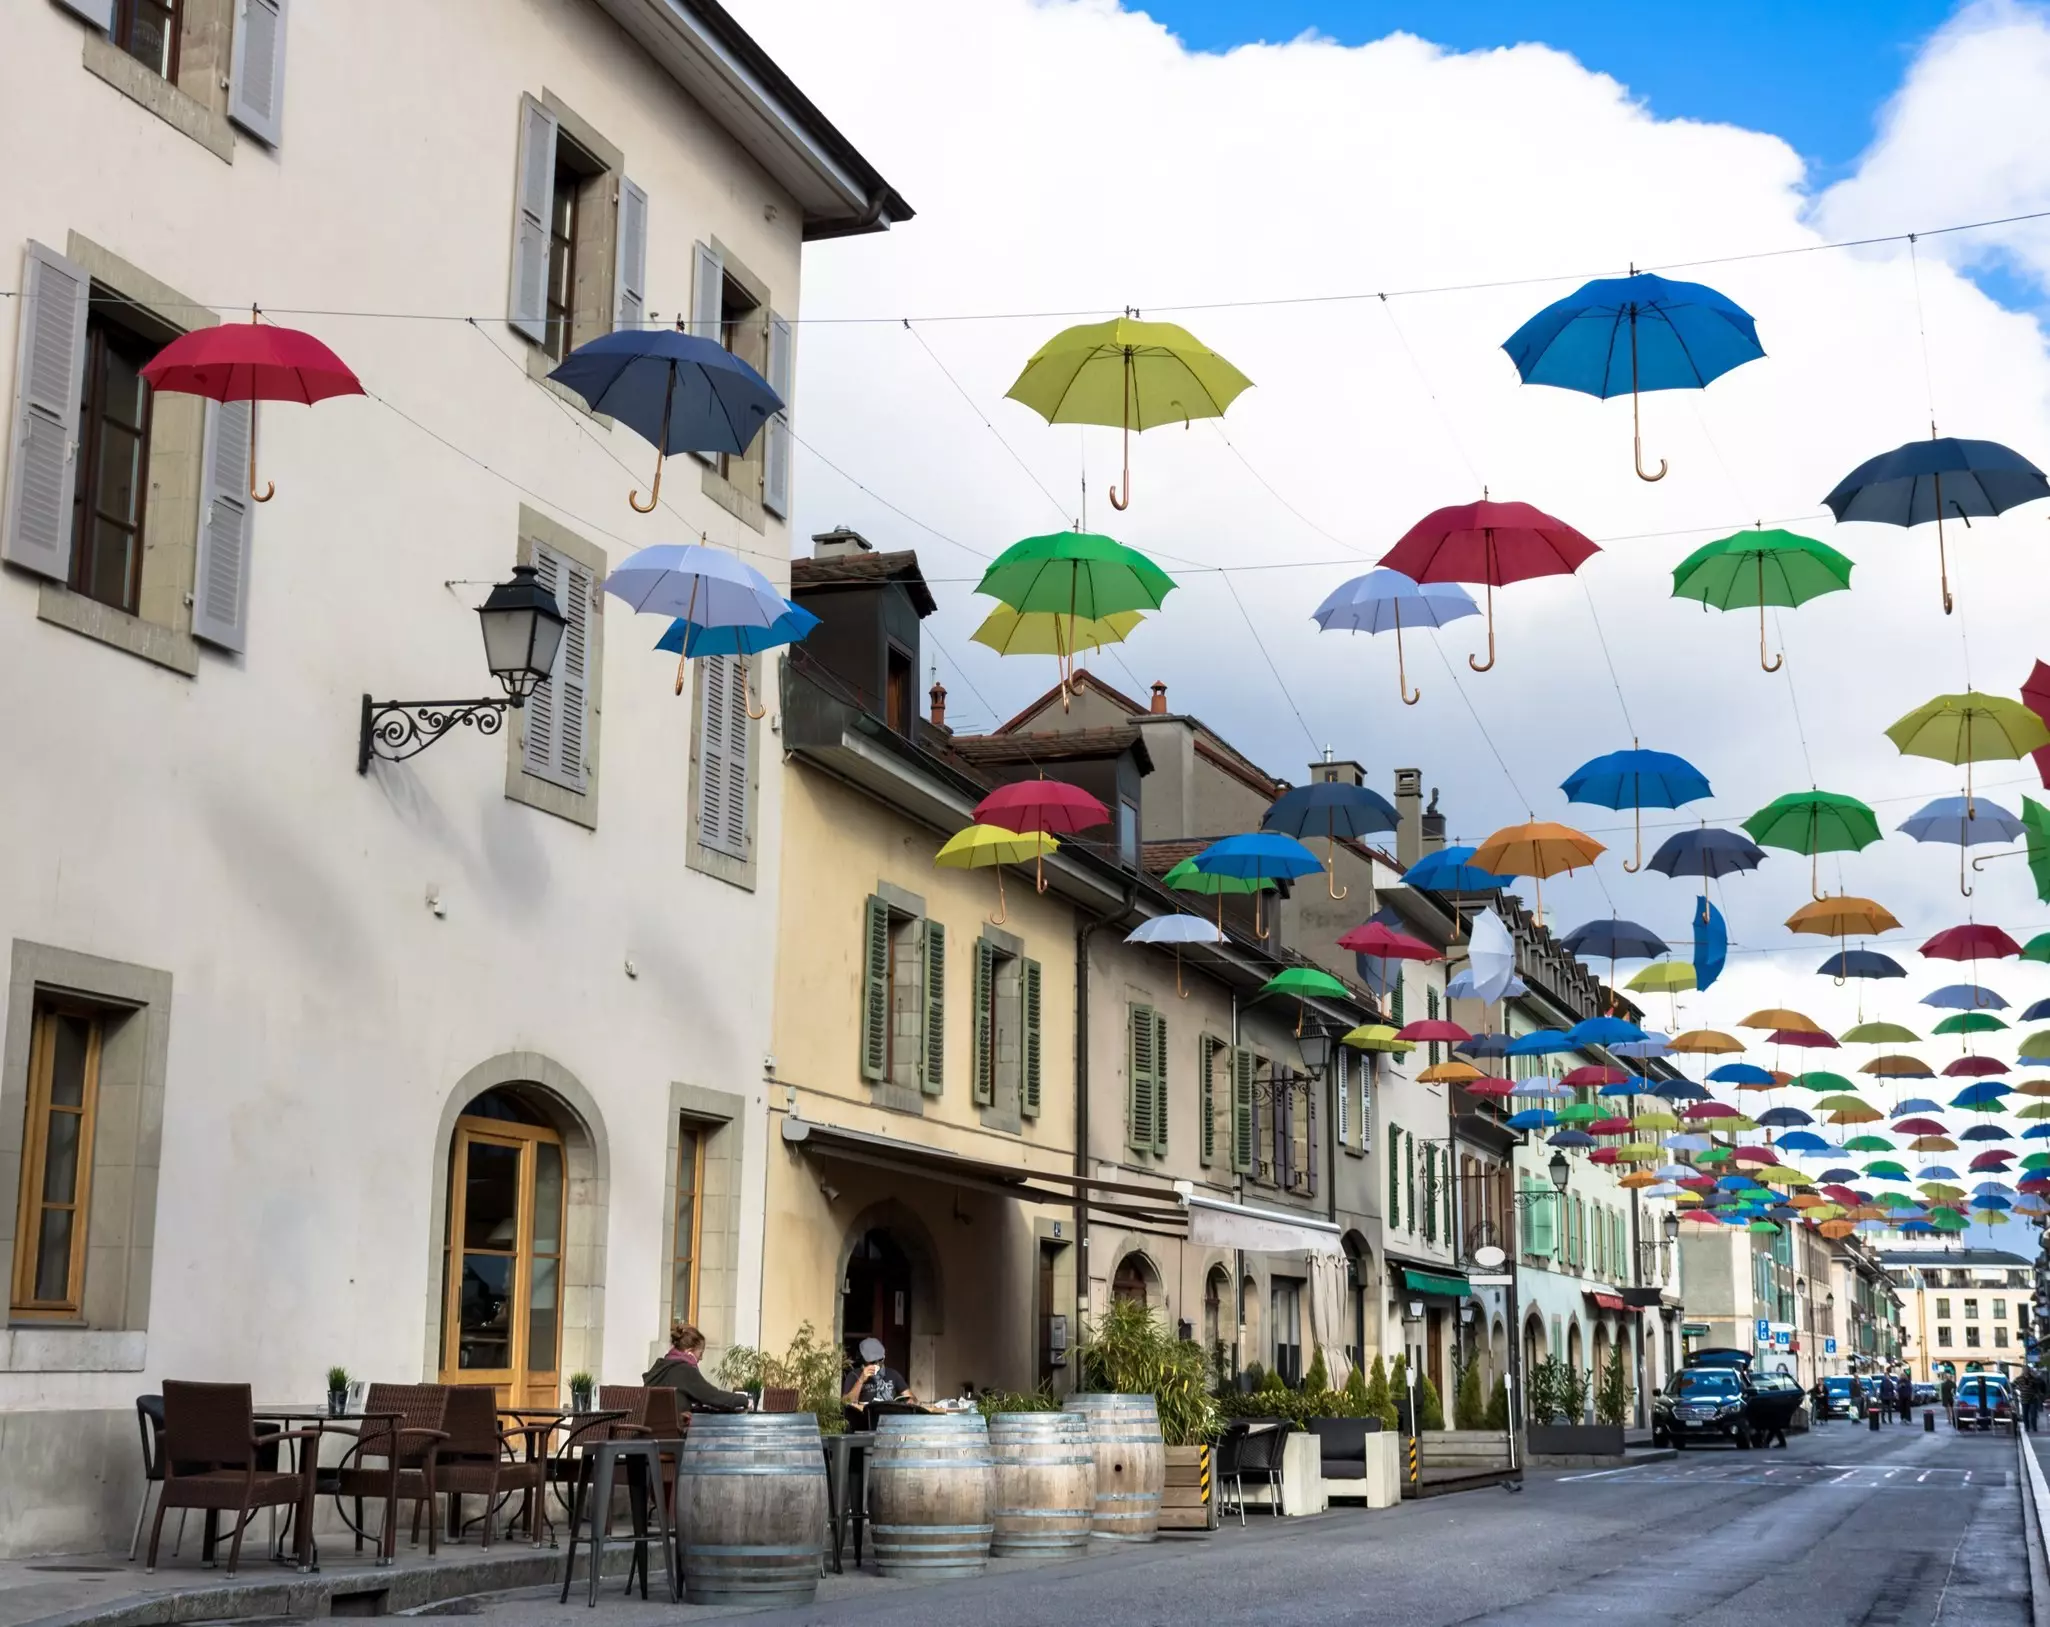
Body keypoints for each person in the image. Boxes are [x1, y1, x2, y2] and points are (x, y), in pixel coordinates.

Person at [643, 1321, 752, 1413]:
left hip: (653, 1431)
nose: (701, 1358)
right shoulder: (684, 1370)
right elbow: (713, 1396)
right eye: (700, 1353)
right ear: (689, 1352)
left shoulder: (661, 1367)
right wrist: (743, 1399)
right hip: (675, 1434)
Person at [842, 1337, 917, 1406]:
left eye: (880, 1360)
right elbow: (846, 1403)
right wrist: (861, 1380)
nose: (877, 1364)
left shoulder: (893, 1374)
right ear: (864, 1360)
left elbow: (912, 1398)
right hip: (865, 1417)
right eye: (872, 1362)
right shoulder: (854, 1375)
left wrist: (911, 1400)